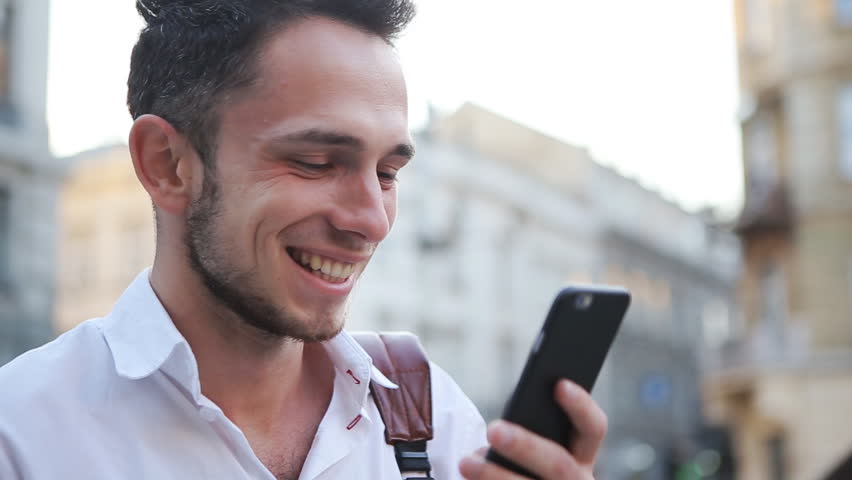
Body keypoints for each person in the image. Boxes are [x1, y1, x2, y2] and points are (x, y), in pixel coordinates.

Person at [0, 1, 608, 478]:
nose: (371, 220)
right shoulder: (24, 434)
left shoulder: (434, 419)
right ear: (168, 165)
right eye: (317, 161)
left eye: (388, 173)